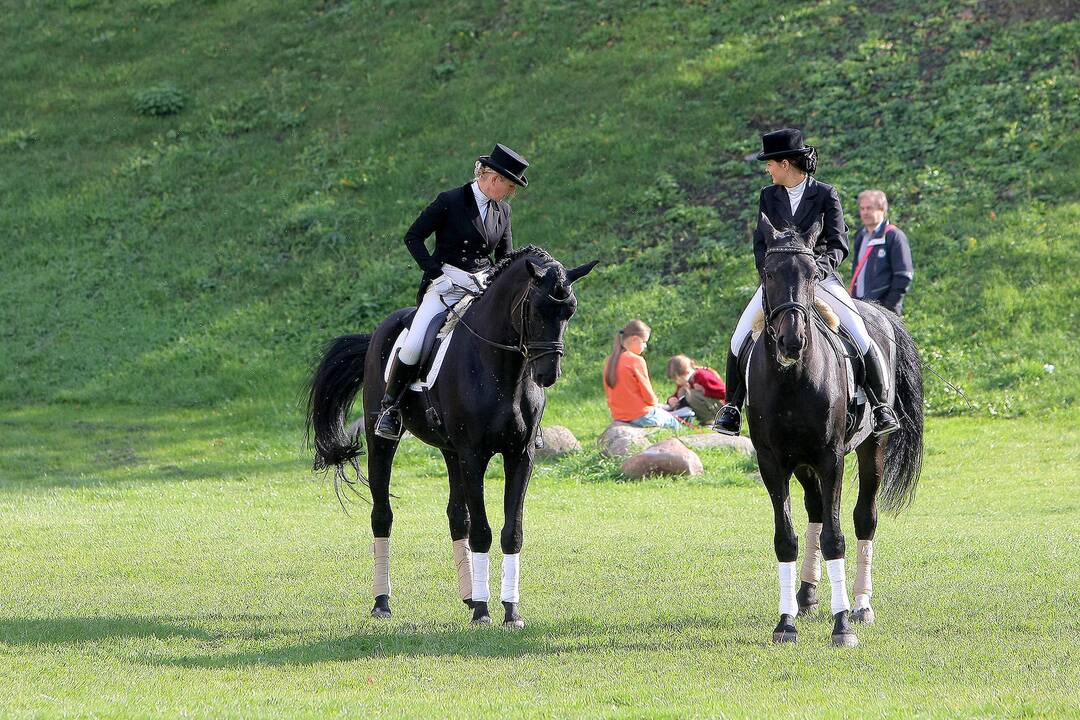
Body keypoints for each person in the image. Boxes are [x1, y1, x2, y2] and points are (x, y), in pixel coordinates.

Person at [712, 128, 900, 438]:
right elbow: (761, 243)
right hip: (780, 281)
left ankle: (880, 406)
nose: (767, 169)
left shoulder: (826, 194)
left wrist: (816, 270)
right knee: (739, 337)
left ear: (785, 164)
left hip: (819, 279)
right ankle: (732, 409)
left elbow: (839, 243)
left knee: (858, 330)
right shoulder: (768, 196)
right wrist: (769, 273)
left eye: (770, 163)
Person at [374, 143, 529, 439]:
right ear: (494, 178)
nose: (511, 194)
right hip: (445, 284)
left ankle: (521, 413)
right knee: (415, 341)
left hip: (481, 287)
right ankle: (390, 408)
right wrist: (435, 273)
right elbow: (414, 237)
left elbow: (505, 257)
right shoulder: (451, 200)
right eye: (510, 186)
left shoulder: (503, 211)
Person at [603, 320, 680, 430]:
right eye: (644, 342)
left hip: (619, 415)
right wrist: (656, 404)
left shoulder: (609, 361)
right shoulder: (636, 360)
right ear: (634, 339)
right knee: (674, 423)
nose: (645, 346)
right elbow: (647, 392)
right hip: (640, 415)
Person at [849, 189, 913, 315]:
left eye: (869, 208)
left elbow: (903, 276)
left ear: (882, 210)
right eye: (862, 209)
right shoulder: (860, 236)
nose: (865, 212)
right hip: (860, 308)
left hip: (884, 312)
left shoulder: (894, 236)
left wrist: (888, 308)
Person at [665, 355, 726, 425]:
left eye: (676, 379)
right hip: (710, 406)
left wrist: (705, 391)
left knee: (691, 395)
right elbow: (677, 395)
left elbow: (725, 393)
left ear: (686, 373)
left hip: (721, 410)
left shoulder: (703, 376)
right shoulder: (685, 381)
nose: (676, 382)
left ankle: (710, 421)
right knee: (685, 392)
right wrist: (671, 399)